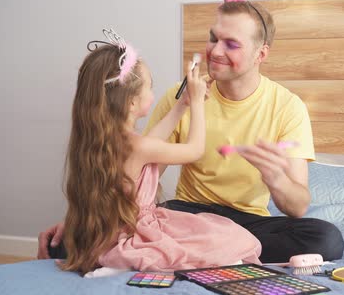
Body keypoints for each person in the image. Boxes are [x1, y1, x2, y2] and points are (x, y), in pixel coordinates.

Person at [38, 0, 344, 263]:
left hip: (248, 221)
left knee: (326, 238)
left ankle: (206, 252)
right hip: (187, 213)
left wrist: (276, 178)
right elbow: (124, 172)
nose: (215, 51)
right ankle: (214, 254)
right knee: (72, 241)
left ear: (260, 54)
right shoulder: (183, 96)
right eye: (213, 38)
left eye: (232, 44)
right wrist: (86, 219)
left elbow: (299, 205)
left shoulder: (288, 107)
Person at [55, 30, 261, 275]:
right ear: (131, 103)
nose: (153, 93)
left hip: (109, 231)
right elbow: (194, 150)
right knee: (233, 237)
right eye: (150, 88)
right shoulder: (138, 146)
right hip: (138, 231)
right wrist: (196, 103)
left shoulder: (107, 141)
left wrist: (181, 104)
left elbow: (150, 144)